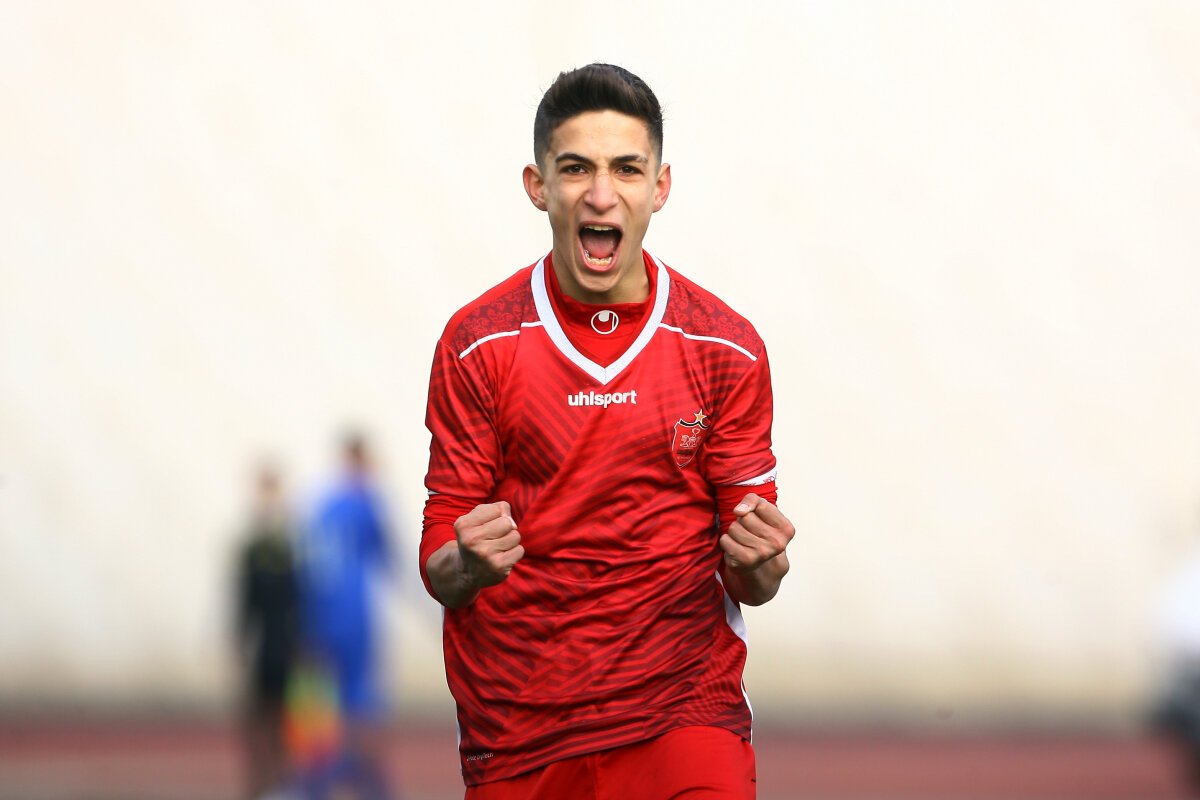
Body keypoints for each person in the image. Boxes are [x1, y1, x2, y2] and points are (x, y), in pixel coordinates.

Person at [420, 63, 796, 799]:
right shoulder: (478, 344)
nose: (601, 194)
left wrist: (764, 562)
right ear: (537, 186)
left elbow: (754, 578)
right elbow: (440, 561)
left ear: (659, 186)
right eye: (576, 169)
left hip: (684, 714)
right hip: (522, 729)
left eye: (626, 169)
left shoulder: (724, 345)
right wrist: (468, 564)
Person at [297, 432, 394, 799]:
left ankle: (316, 785)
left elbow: (308, 563)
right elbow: (388, 557)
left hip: (319, 616)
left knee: (319, 700)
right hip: (354, 615)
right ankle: (372, 786)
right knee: (362, 700)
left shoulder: (324, 505)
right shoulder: (366, 501)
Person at [234, 464, 300, 799]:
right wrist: (239, 643)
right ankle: (258, 785)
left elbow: (300, 599)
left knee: (285, 718)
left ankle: (283, 783)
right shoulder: (252, 549)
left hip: (286, 644)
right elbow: (243, 601)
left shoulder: (291, 548)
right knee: (257, 717)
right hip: (262, 645)